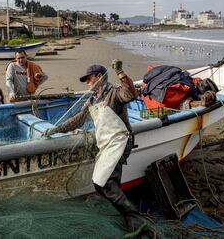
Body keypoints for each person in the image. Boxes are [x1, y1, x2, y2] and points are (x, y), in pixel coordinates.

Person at [42, 60, 152, 233]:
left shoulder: (114, 93)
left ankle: (134, 217)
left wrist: (121, 73)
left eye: (89, 79)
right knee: (106, 182)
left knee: (104, 182)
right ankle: (128, 215)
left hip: (120, 141)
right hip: (106, 143)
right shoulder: (92, 100)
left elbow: (131, 94)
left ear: (99, 77)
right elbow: (78, 119)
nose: (87, 83)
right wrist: (57, 129)